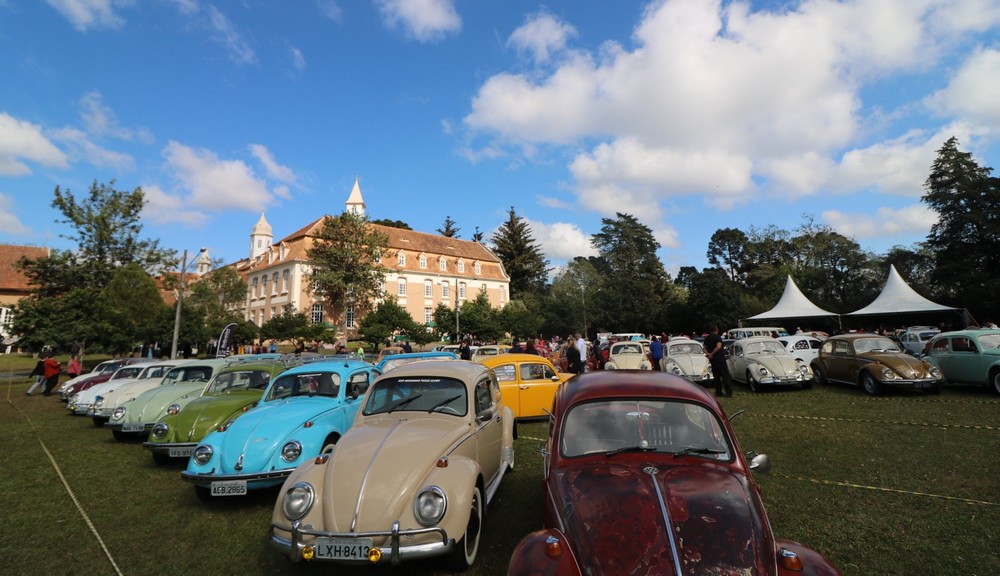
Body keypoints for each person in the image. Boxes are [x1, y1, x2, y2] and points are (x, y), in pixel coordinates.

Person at [703, 326, 732, 397]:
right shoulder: (717, 337)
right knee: (725, 375)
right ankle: (728, 393)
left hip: (712, 360)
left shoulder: (707, 338)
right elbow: (718, 347)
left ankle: (718, 392)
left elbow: (704, 348)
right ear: (716, 330)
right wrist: (712, 354)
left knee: (716, 376)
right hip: (719, 358)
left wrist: (708, 354)